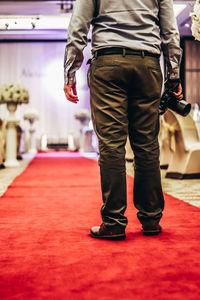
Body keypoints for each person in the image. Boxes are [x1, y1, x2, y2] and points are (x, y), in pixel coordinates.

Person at [64, 0, 183, 240]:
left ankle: (114, 222)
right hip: (147, 64)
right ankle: (151, 219)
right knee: (147, 145)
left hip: (107, 65)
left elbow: (78, 26)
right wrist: (173, 74)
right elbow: (170, 30)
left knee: (111, 145)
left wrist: (70, 71)